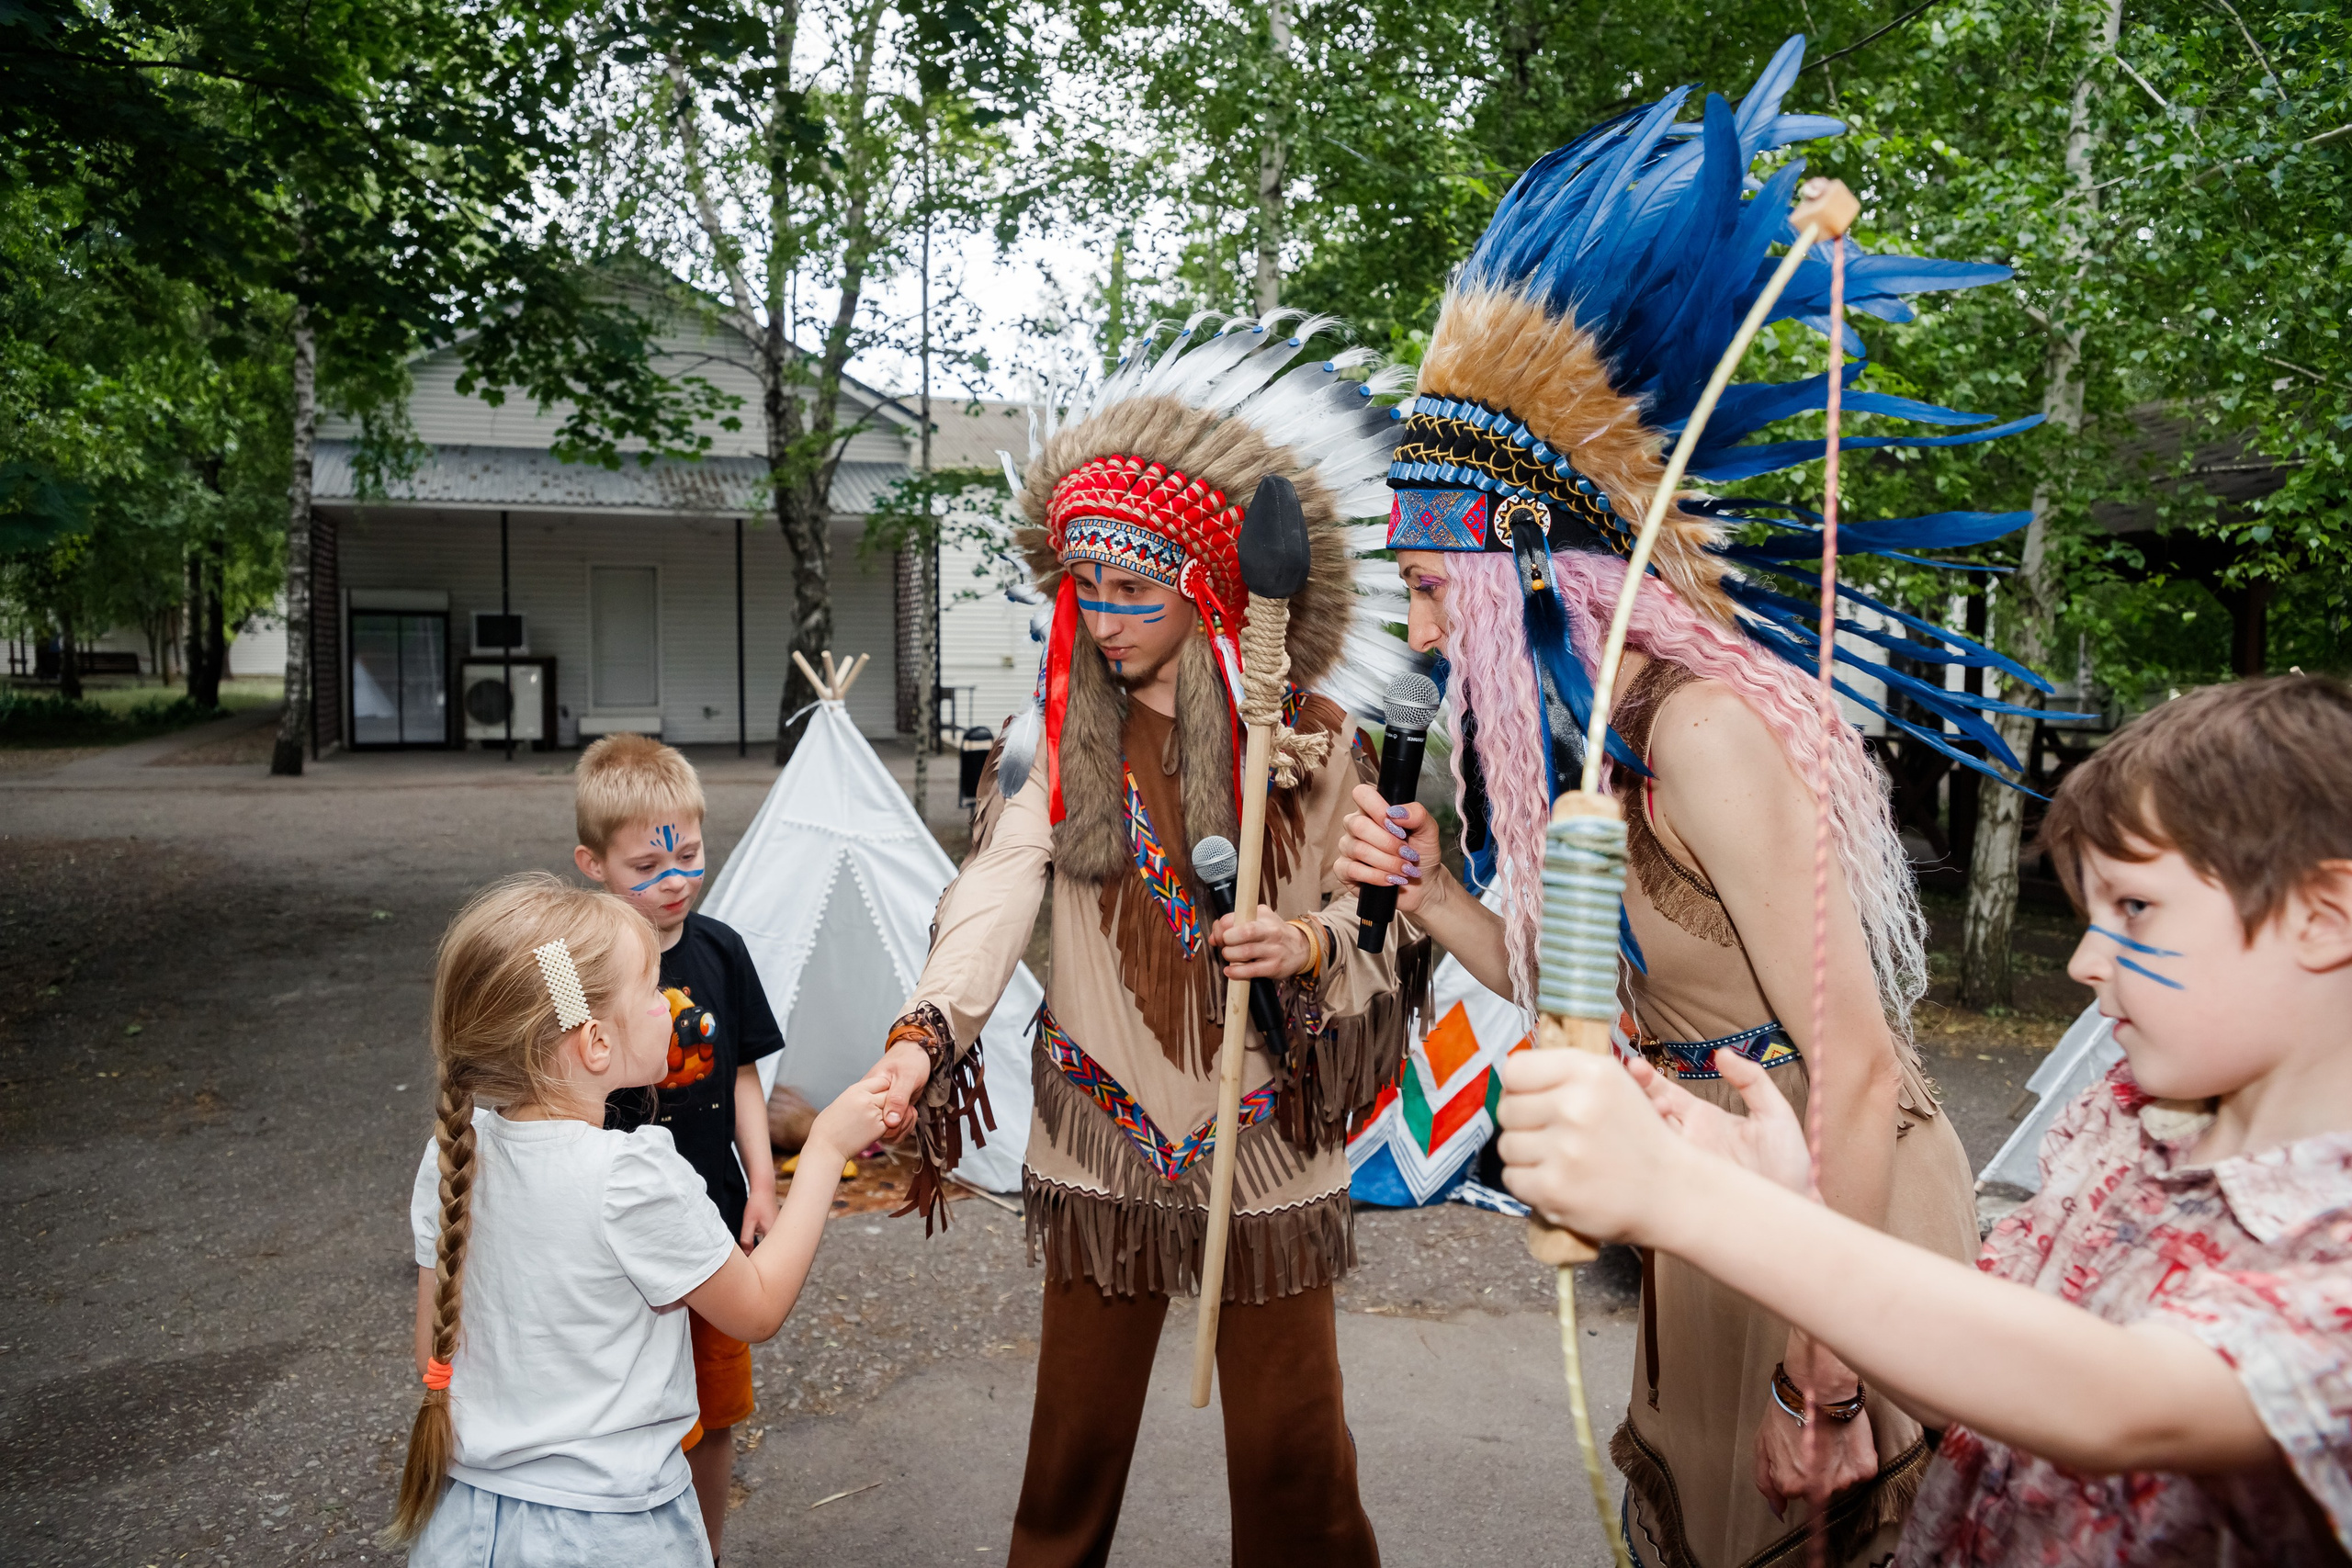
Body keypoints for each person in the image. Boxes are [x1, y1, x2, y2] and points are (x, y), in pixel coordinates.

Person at [1331, 39, 2065, 1566]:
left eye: (1431, 586)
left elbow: (1855, 1067)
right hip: (1719, 1203)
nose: (1419, 631)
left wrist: (1825, 1367)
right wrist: (1437, 895)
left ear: (1531, 563)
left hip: (1832, 1213)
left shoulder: (1711, 730)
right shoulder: (1606, 743)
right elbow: (1611, 999)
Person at [1498, 675, 2352, 1565]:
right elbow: (1981, 1383)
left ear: (2325, 917)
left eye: (2134, 909)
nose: (2085, 960)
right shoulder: (2121, 1123)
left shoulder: (2335, 1246)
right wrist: (1787, 1205)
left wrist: (1700, 1203)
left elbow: (2119, 1404)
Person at [869, 313, 1420, 1568]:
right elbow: (993, 892)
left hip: (1268, 1138)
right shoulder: (1049, 739)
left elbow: (1376, 922)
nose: (1106, 617)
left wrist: (1305, 944)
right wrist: (925, 1034)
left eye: (1134, 590)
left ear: (1209, 584)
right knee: (1068, 1457)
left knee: (1295, 1459)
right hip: (1102, 1136)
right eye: (1087, 590)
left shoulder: (1320, 742)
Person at [386, 874, 887, 1563]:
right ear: (595, 1043)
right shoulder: (630, 1177)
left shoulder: (452, 1155)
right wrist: (826, 1146)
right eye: (654, 991)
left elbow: (433, 1355)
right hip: (611, 1531)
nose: (669, 1006)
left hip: (466, 1527)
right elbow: (757, 1308)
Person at [573, 733, 786, 1557]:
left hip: (711, 1228)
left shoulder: (722, 949)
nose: (674, 880)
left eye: (689, 856)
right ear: (592, 864)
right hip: (611, 1241)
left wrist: (762, 1182)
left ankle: (707, 1550)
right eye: (647, 866)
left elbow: (742, 1074)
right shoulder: (568, 962)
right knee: (627, 1412)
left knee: (714, 1409)